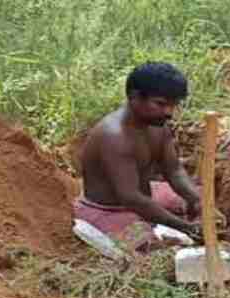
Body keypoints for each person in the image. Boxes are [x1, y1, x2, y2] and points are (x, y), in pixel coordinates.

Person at [75, 62, 204, 254]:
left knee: (200, 196)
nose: (169, 112)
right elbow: (131, 198)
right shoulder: (114, 136)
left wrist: (198, 200)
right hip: (110, 210)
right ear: (134, 97)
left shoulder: (157, 125)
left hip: (146, 195)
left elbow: (174, 170)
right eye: (161, 104)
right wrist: (185, 227)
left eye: (174, 105)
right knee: (150, 249)